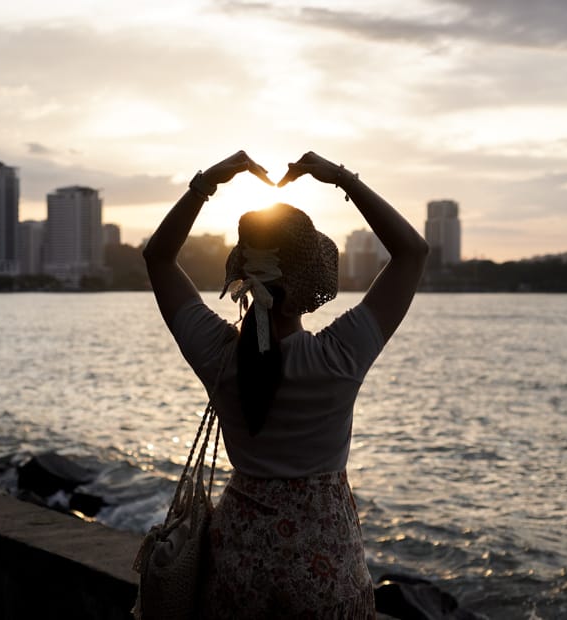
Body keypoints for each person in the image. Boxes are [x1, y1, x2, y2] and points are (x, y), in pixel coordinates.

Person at [143, 150, 428, 619]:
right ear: (308, 279)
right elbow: (412, 252)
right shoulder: (338, 356)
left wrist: (205, 184)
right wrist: (342, 179)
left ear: (242, 275)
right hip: (324, 570)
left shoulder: (217, 356)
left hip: (237, 565)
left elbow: (158, 257)